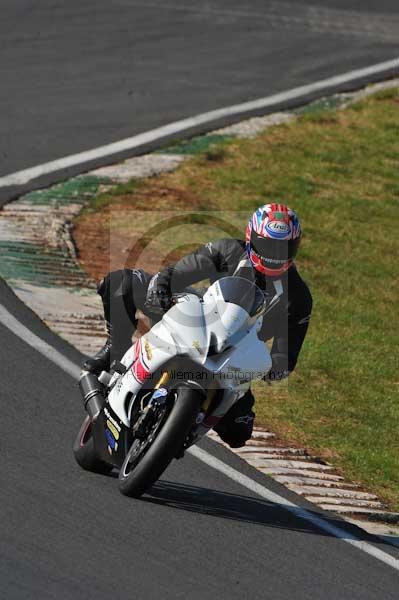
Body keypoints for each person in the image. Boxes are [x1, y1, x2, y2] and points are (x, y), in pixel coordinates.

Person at [84, 203, 312, 447]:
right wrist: (162, 286)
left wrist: (273, 368)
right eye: (268, 245)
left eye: (283, 247)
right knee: (121, 283)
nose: (274, 253)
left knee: (239, 433)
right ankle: (114, 350)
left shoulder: (298, 298)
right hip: (196, 318)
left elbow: (285, 354)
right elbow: (181, 271)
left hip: (234, 356)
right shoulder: (228, 249)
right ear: (251, 237)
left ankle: (185, 428)